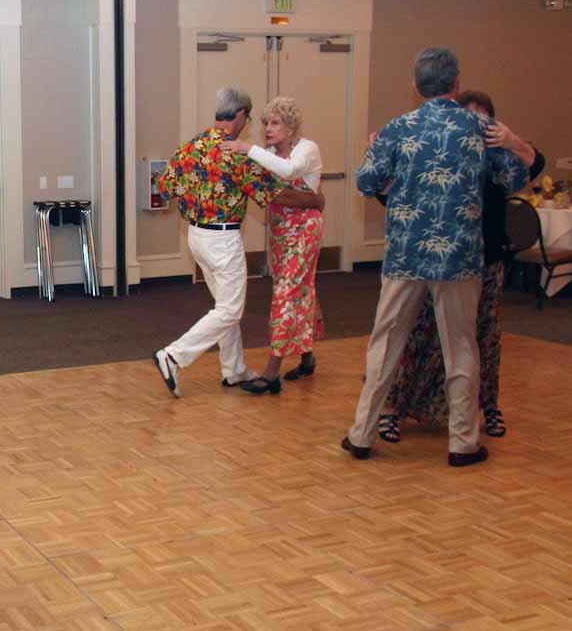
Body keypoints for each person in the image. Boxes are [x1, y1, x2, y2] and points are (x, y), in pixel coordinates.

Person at [341, 48, 528, 467]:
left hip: (405, 255)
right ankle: (462, 443)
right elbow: (514, 178)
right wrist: (516, 143)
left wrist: (380, 154)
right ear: (457, 84)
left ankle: (362, 434)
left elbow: (367, 180)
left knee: (385, 344)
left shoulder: (398, 128)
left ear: (415, 86)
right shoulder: (480, 128)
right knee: (461, 346)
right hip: (460, 259)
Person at [377, 90, 543, 443]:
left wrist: (513, 141)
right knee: (416, 335)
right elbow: (385, 190)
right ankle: (393, 411)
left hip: (485, 261)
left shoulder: (499, 160)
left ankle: (488, 409)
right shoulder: (435, 154)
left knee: (483, 340)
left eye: (484, 121)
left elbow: (534, 164)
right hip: (437, 261)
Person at [152, 87, 292, 398]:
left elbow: (164, 188)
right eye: (250, 117)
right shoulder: (235, 152)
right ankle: (173, 356)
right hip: (222, 239)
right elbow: (272, 193)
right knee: (230, 310)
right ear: (240, 115)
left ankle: (234, 370)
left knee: (224, 306)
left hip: (196, 237)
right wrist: (312, 198)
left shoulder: (192, 146)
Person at [221, 97, 326, 395]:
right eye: (266, 122)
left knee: (285, 293)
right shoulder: (267, 153)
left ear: (291, 126)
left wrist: (247, 148)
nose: (268, 128)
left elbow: (290, 171)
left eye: (275, 122)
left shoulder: (306, 148)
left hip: (304, 230)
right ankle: (307, 358)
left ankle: (271, 371)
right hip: (281, 231)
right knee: (299, 289)